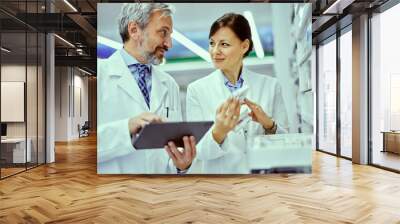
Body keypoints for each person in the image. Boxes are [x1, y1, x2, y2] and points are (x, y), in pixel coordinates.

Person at [98, 3, 196, 174]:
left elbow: (170, 152)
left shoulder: (169, 84)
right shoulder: (98, 74)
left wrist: (181, 166)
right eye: (163, 32)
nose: (169, 44)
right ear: (134, 30)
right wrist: (126, 128)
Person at [186, 13, 288, 174]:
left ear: (244, 46)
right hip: (222, 187)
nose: (215, 51)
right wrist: (219, 131)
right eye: (212, 43)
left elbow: (287, 143)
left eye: (224, 44)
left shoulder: (270, 85)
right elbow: (199, 152)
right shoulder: (196, 90)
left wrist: (269, 125)